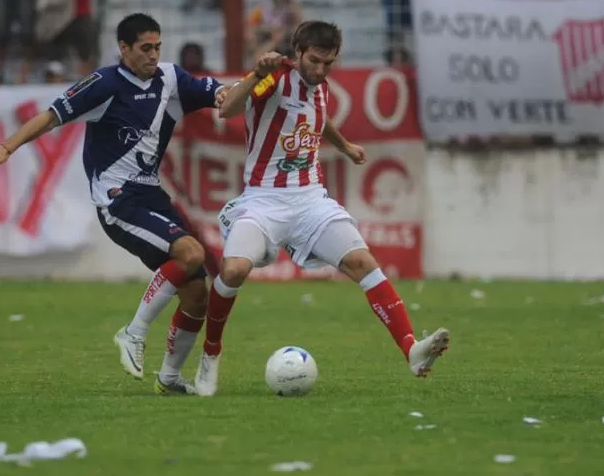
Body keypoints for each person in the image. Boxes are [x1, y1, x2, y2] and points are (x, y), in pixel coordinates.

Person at [0, 13, 229, 394]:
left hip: (152, 195)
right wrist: (7, 146)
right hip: (118, 201)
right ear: (123, 49)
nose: (153, 55)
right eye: (144, 48)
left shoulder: (170, 79)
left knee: (197, 294)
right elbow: (51, 116)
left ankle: (170, 378)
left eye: (157, 46)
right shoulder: (104, 84)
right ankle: (133, 333)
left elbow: (218, 93)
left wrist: (247, 84)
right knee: (190, 253)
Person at [191, 21, 450, 397]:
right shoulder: (274, 78)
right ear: (297, 53)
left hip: (310, 199)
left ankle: (411, 348)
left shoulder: (320, 87)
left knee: (363, 263)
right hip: (263, 201)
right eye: (314, 61)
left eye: (329, 63)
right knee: (232, 270)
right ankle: (211, 354)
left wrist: (344, 146)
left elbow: (316, 119)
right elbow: (227, 108)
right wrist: (256, 73)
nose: (320, 70)